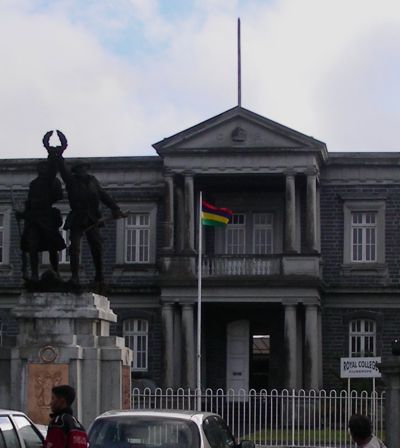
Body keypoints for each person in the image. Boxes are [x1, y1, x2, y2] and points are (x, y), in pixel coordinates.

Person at [56, 156, 125, 285]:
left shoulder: (93, 181)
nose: (83, 170)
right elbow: (63, 169)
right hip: (77, 217)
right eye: (80, 168)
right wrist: (59, 156)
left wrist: (115, 208)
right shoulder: (71, 181)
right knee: (74, 247)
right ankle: (75, 276)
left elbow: (103, 195)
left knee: (96, 247)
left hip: (92, 218)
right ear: (75, 171)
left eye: (84, 168)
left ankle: (99, 276)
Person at [17, 155, 66, 282]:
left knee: (52, 246)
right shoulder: (34, 184)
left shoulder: (53, 181)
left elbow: (58, 196)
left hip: (47, 217)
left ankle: (56, 272)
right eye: (39, 167)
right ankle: (34, 274)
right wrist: (22, 214)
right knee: (32, 246)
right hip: (33, 218)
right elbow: (29, 203)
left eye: (44, 167)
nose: (41, 169)